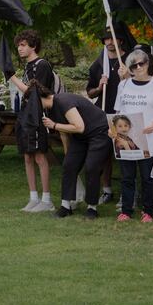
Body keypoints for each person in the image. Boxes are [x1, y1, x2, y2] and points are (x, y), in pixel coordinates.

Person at [38, 82, 112, 219]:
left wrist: (54, 125)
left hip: (99, 132)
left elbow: (79, 127)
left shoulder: (63, 101)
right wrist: (68, 154)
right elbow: (64, 132)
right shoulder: (50, 109)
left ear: (41, 97)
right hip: (81, 137)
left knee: (91, 167)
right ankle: (66, 207)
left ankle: (92, 208)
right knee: (69, 165)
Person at [113, 49, 153, 223]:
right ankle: (126, 211)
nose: (138, 67)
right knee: (127, 177)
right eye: (134, 65)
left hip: (149, 139)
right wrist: (113, 129)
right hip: (126, 138)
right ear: (129, 68)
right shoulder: (123, 85)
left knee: (147, 177)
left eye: (141, 63)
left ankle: (148, 211)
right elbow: (117, 111)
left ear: (147, 63)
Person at [10, 29, 55, 212]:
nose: (20, 49)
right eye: (18, 45)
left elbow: (34, 92)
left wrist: (11, 77)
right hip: (25, 115)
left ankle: (47, 200)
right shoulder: (27, 67)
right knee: (27, 156)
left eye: (23, 45)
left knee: (39, 156)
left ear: (33, 46)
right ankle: (33, 197)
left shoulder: (42, 65)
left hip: (38, 116)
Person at [86, 32, 127, 204]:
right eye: (107, 39)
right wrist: (99, 87)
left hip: (124, 113)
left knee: (125, 153)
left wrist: (127, 77)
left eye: (113, 38)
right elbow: (90, 92)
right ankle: (107, 190)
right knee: (105, 154)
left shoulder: (130, 62)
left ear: (120, 40)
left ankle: (127, 194)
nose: (110, 42)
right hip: (103, 112)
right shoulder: (98, 64)